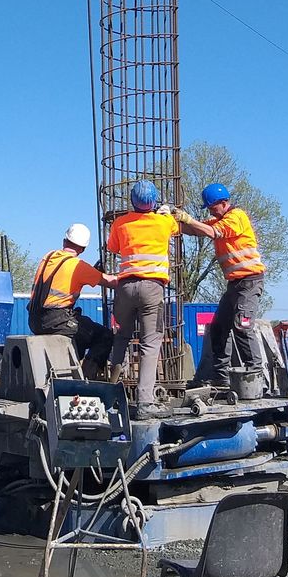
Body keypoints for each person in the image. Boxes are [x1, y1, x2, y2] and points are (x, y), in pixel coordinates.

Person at [173, 183, 265, 387]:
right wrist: (171, 221)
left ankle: (254, 377)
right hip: (234, 285)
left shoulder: (236, 217)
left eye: (212, 207)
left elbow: (213, 232)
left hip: (250, 282)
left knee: (242, 325)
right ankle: (221, 377)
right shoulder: (218, 219)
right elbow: (196, 230)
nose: (211, 211)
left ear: (223, 203)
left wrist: (186, 217)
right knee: (218, 328)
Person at [106, 180, 180, 420]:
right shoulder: (163, 221)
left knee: (121, 338)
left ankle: (111, 396)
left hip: (125, 287)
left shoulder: (120, 223)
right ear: (155, 202)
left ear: (132, 201)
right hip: (153, 288)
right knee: (150, 344)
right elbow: (175, 227)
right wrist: (166, 212)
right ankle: (145, 402)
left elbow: (113, 247)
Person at [28, 224, 114, 378]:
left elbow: (61, 279)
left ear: (64, 241)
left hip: (35, 319)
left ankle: (71, 370)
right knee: (104, 335)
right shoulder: (78, 266)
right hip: (57, 321)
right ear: (83, 249)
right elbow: (110, 281)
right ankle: (87, 378)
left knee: (80, 331)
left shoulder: (48, 257)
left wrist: (91, 273)